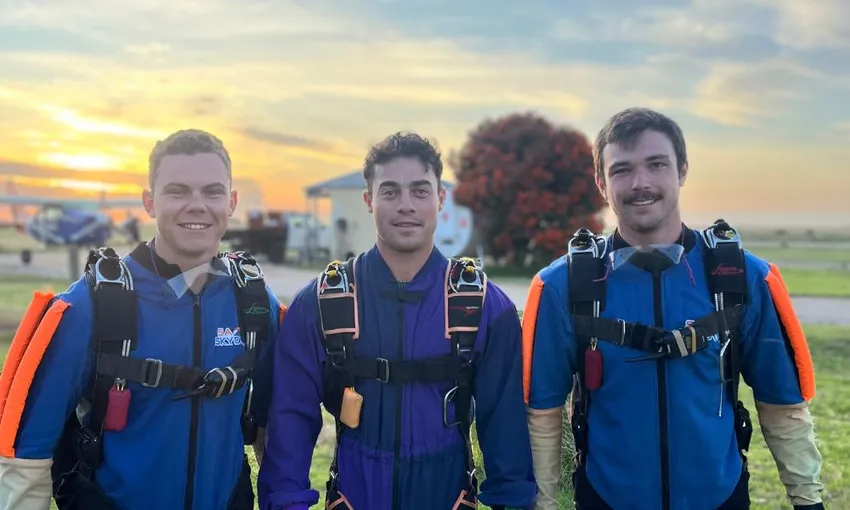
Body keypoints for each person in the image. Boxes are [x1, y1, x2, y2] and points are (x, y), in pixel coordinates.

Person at [522, 108, 825, 510]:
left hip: (719, 497)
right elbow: (543, 414)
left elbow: (783, 407)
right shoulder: (563, 287)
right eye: (621, 170)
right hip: (607, 498)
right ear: (601, 183)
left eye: (656, 164)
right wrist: (543, 504)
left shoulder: (742, 278)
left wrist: (808, 500)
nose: (640, 183)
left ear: (682, 170)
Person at [0, 129, 283, 509]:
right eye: (178, 191)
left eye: (212, 191)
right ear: (149, 202)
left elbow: (271, 431)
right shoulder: (93, 303)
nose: (196, 205)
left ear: (231, 202)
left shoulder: (254, 301)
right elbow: (27, 453)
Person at [257, 132, 537, 510]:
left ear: (440, 198)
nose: (406, 205)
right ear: (369, 200)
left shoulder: (483, 306)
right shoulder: (323, 303)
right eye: (390, 192)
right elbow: (290, 423)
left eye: (420, 191)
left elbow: (506, 433)